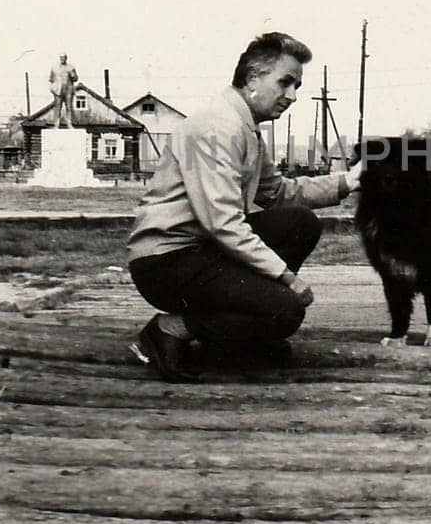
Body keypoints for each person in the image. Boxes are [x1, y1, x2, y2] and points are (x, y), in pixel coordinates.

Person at [126, 32, 362, 381]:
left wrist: (348, 181)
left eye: (296, 85)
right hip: (167, 262)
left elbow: (278, 192)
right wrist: (285, 279)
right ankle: (168, 331)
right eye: (285, 83)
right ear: (253, 78)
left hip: (201, 252)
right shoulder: (217, 126)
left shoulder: (244, 127)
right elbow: (222, 222)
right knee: (286, 311)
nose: (292, 96)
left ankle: (236, 337)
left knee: (300, 223)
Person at [49, 53, 79, 128]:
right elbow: (51, 79)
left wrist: (73, 75)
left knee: (69, 107)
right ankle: (56, 124)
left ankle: (69, 123)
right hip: (58, 90)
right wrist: (52, 88)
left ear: (66, 58)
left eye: (64, 57)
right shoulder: (54, 68)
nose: (62, 59)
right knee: (57, 107)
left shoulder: (71, 67)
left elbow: (75, 79)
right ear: (59, 58)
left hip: (68, 89)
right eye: (61, 57)